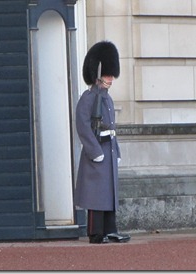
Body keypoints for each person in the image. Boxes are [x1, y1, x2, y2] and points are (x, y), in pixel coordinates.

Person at [74, 41, 131, 244]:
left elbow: (112, 129)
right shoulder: (88, 98)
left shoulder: (107, 99)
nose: (111, 78)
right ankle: (95, 232)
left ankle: (110, 229)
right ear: (98, 74)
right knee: (95, 194)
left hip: (108, 150)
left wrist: (117, 152)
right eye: (107, 74)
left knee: (108, 193)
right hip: (96, 152)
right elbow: (82, 126)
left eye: (111, 74)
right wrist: (94, 151)